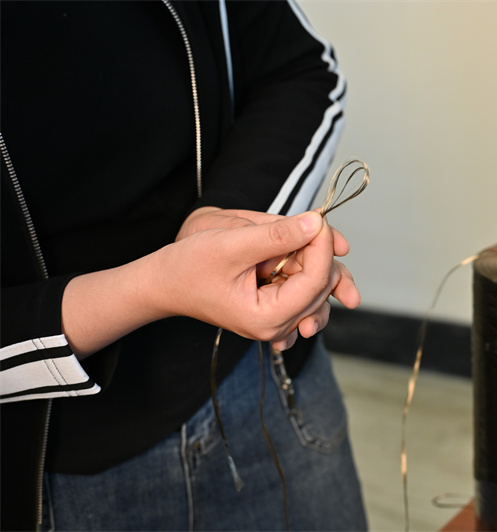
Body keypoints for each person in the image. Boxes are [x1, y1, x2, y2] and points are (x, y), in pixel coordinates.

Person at [0, 1, 368, 530]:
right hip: (56, 479)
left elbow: (299, 67)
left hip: (269, 388)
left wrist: (224, 220)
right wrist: (155, 286)